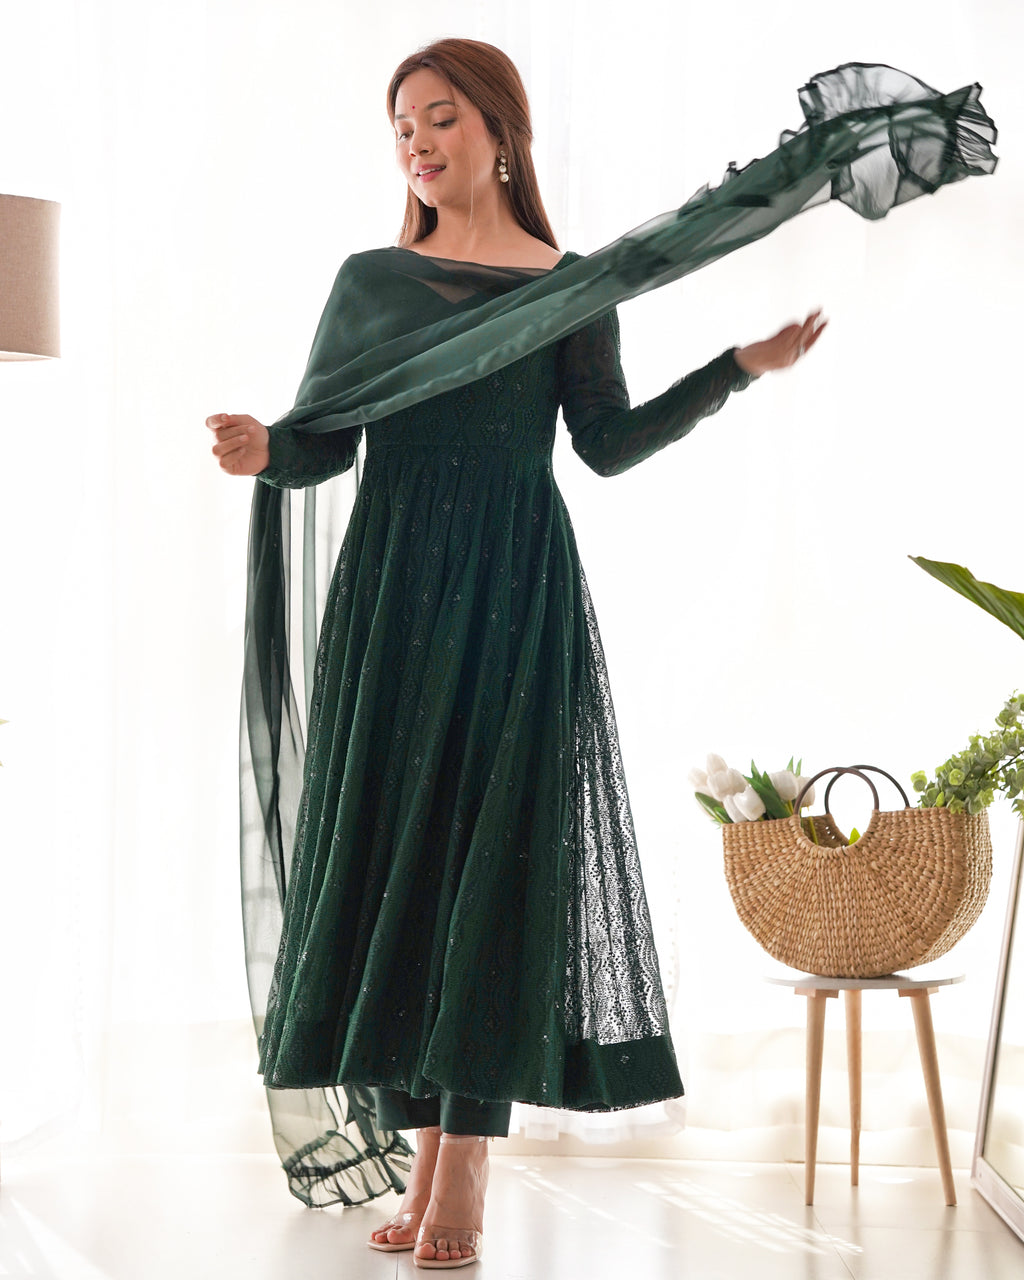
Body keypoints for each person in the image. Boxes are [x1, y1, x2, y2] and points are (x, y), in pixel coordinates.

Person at [208, 37, 825, 1269]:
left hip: (514, 595)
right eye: (400, 128)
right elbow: (325, 440)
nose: (418, 145)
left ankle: (463, 1170)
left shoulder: (569, 285)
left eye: (439, 119)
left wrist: (733, 372)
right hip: (389, 600)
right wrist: (262, 447)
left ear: (501, 127)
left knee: (493, 871)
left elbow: (602, 445)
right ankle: (433, 1154)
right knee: (401, 866)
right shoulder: (370, 280)